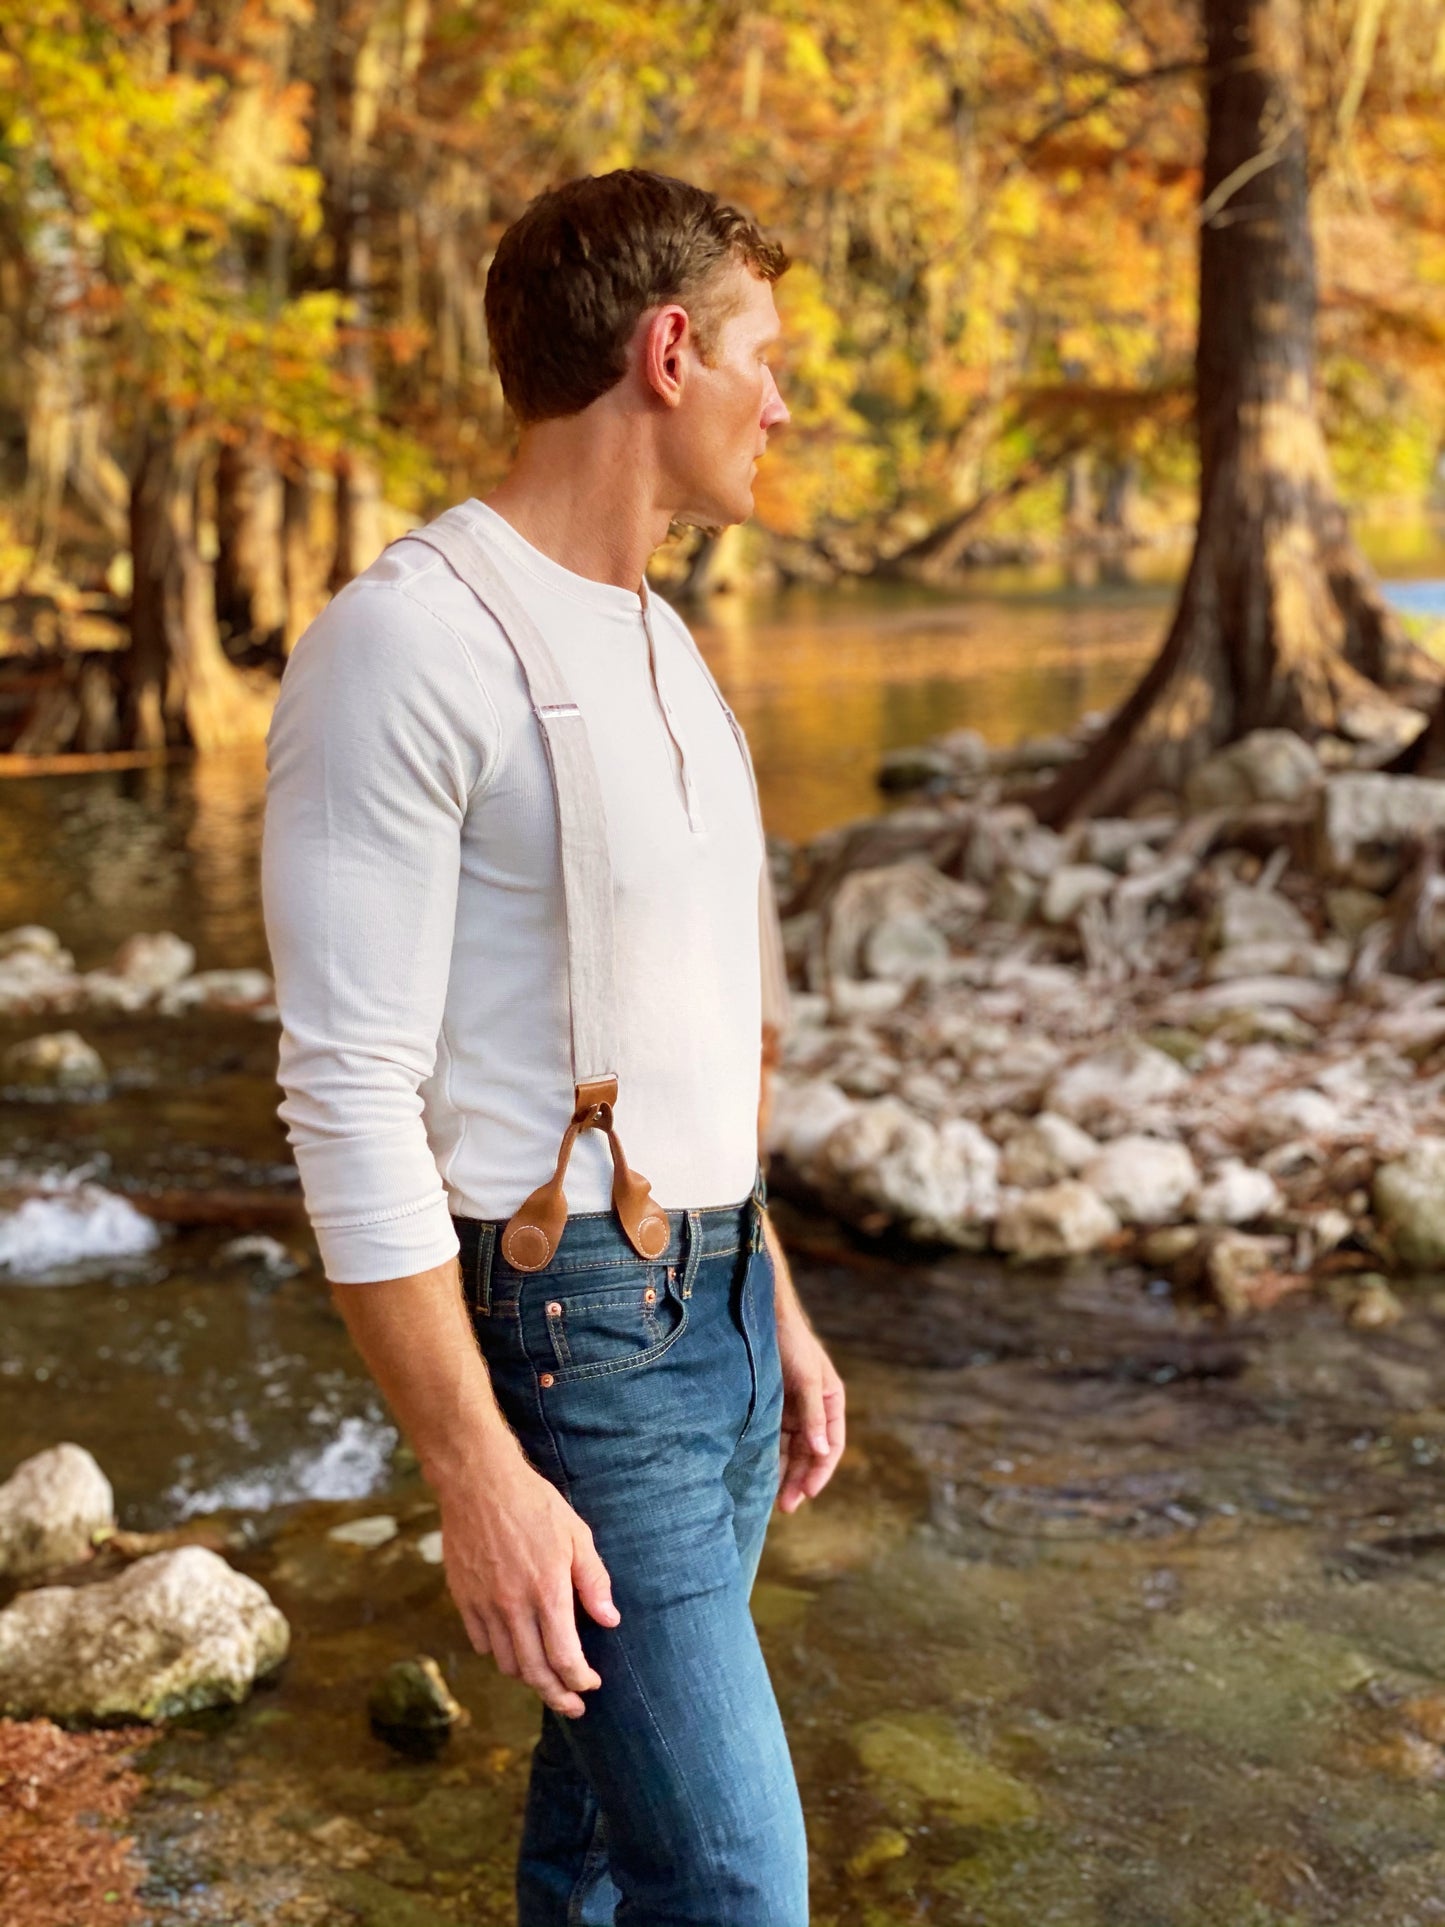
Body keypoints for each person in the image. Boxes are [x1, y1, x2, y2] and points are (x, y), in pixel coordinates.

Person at [260, 167, 846, 1927]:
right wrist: (474, 1474)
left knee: (601, 1838)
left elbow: (695, 1031)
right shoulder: (406, 644)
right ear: (669, 353)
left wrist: (781, 1306)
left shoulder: (669, 645)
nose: (784, 402)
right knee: (739, 1882)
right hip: (575, 1331)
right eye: (765, 358)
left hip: (720, 1311)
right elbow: (346, 1093)